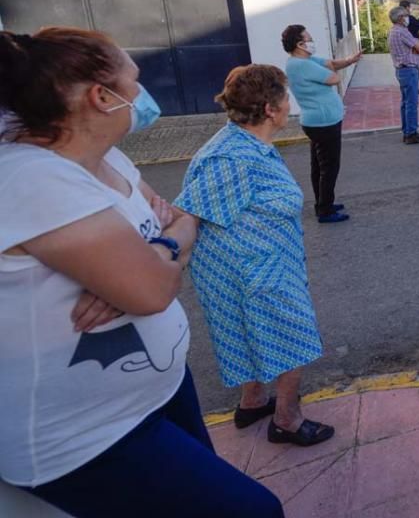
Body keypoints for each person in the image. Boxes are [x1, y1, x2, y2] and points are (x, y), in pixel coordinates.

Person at [0, 28, 283, 518]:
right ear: (101, 96)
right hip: (85, 435)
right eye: (135, 78)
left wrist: (148, 255)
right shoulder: (33, 175)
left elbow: (182, 220)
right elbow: (153, 287)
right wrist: (149, 264)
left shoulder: (106, 157)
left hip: (156, 392)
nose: (142, 90)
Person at [175, 64, 333, 449]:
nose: (288, 103)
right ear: (269, 109)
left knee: (250, 331)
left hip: (255, 266)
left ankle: (253, 401)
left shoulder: (244, 143)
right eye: (284, 96)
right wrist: (148, 274)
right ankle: (287, 420)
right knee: (291, 335)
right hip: (253, 272)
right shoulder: (232, 159)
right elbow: (184, 217)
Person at [281, 25, 361, 223]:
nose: (311, 42)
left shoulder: (301, 61)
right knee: (329, 167)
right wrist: (331, 71)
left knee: (319, 166)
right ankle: (325, 210)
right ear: (300, 44)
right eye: (308, 39)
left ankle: (323, 203)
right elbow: (333, 78)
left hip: (316, 121)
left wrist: (350, 60)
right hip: (324, 122)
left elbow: (331, 64)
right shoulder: (303, 65)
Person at [388, 5, 419, 144]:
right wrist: (417, 46)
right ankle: (411, 133)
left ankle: (407, 131)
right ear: (400, 18)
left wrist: (415, 47)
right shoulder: (402, 32)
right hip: (409, 69)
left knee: (405, 103)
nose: (408, 17)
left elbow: (416, 48)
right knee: (412, 103)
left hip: (401, 70)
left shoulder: (393, 31)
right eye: (406, 15)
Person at [398, 0, 419, 94]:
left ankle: (410, 87)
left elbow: (416, 24)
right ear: (407, 7)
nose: (410, 9)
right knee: (416, 66)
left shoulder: (400, 18)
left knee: (410, 66)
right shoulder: (408, 18)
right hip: (413, 44)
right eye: (410, 7)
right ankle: (414, 87)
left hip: (405, 44)